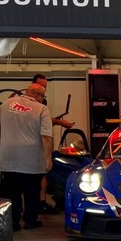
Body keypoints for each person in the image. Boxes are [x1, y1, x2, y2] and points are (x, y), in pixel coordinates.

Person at [0, 83, 53, 230]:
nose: (42, 99)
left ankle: (13, 222)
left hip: (8, 157)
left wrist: (0, 145)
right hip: (31, 159)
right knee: (32, 190)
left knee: (10, 191)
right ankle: (30, 220)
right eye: (42, 96)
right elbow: (46, 137)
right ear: (37, 95)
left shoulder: (6, 104)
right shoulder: (42, 109)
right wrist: (48, 158)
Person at [32, 73, 74, 213]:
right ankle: (36, 204)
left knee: (43, 174)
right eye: (40, 86)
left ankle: (41, 202)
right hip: (33, 144)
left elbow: (42, 120)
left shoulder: (42, 102)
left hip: (37, 142)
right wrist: (60, 122)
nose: (43, 89)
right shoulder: (31, 101)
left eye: (45, 86)